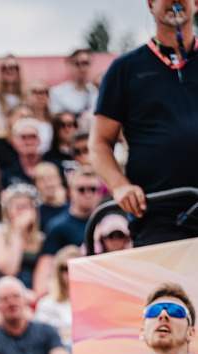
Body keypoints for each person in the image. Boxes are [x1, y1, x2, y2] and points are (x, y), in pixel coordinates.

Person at [90, 0, 198, 246]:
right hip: (159, 213)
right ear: (150, 4)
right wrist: (119, 187)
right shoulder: (125, 69)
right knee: (168, 285)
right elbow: (99, 142)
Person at [32, 167, 103, 297]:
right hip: (71, 292)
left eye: (93, 189)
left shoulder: (109, 222)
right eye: (81, 189)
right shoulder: (58, 226)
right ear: (70, 192)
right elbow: (45, 266)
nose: (88, 194)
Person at [0, 183, 43, 290]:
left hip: (36, 290)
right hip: (9, 290)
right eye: (17, 207)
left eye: (25, 206)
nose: (21, 211)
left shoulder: (41, 238)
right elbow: (9, 270)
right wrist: (17, 231)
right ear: (8, 210)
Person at [34, 244, 80, 349]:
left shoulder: (92, 300)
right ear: (58, 271)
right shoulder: (47, 303)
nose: (71, 272)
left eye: (76, 267)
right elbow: (40, 336)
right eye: (66, 268)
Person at [49, 49, 98, 118]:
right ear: (69, 65)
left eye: (85, 63)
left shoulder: (95, 92)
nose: (82, 67)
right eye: (77, 63)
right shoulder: (57, 93)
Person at [0, 118, 43, 189]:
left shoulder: (53, 167)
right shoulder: (7, 173)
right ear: (14, 143)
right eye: (24, 137)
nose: (29, 142)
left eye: (33, 136)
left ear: (39, 140)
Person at [32, 161, 68, 232]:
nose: (48, 184)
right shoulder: (35, 213)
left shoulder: (72, 209)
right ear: (36, 185)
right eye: (42, 180)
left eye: (51, 178)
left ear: (60, 180)